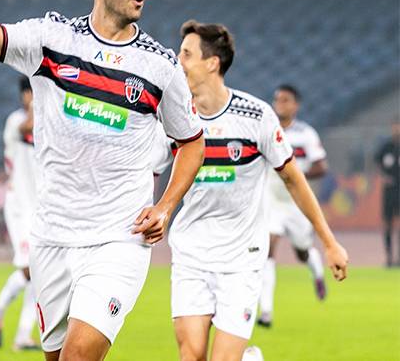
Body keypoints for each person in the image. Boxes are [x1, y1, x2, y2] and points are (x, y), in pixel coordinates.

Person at [0, 0, 205, 361]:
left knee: (78, 358)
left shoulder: (160, 67)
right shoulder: (51, 41)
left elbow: (193, 143)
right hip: (51, 238)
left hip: (119, 239)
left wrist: (165, 207)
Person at [154, 21, 348, 361]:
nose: (177, 59)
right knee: (191, 357)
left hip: (240, 260)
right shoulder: (173, 116)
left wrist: (329, 242)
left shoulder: (256, 116)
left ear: (212, 63)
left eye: (186, 54)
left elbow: (293, 179)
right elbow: (149, 169)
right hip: (191, 254)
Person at [257, 85, 330, 327]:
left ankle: (317, 272)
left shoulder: (305, 134)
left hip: (297, 203)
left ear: (295, 105)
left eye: (286, 100)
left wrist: (295, 175)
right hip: (272, 201)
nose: (280, 104)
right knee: (268, 250)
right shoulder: (267, 129)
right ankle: (266, 312)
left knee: (302, 251)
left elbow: (321, 166)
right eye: (277, 99)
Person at [0, 77, 40, 351]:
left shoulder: (47, 122)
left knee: (41, 271)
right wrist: (38, 103)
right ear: (24, 95)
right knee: (30, 269)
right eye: (33, 90)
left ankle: (22, 335)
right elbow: (27, 126)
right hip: (20, 206)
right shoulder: (16, 121)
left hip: (40, 206)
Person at [375, 118, 400, 267]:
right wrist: (383, 176)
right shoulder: (386, 147)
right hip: (389, 191)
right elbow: (376, 162)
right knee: (388, 224)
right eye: (395, 127)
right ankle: (389, 258)